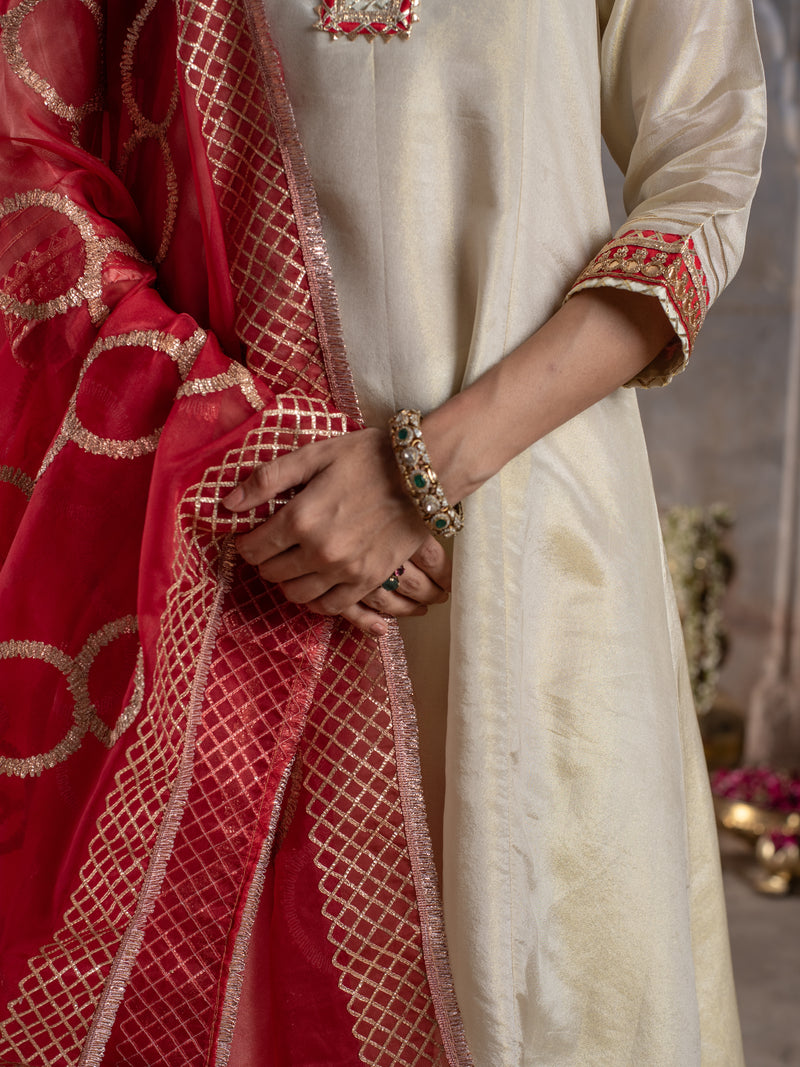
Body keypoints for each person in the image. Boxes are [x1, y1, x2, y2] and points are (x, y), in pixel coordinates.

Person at [0, 1, 765, 1065]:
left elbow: (706, 172)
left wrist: (424, 469)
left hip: (528, 547)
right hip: (236, 542)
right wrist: (230, 447)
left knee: (546, 978)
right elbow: (32, 174)